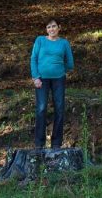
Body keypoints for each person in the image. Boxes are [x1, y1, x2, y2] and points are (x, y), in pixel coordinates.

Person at [30, 19, 74, 149]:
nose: (51, 29)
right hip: (41, 80)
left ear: (59, 27)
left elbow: (70, 63)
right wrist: (35, 77)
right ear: (46, 29)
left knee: (59, 109)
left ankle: (56, 143)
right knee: (41, 108)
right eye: (48, 27)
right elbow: (33, 59)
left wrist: (61, 71)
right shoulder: (40, 40)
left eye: (54, 26)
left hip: (59, 79)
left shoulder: (64, 43)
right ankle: (39, 143)